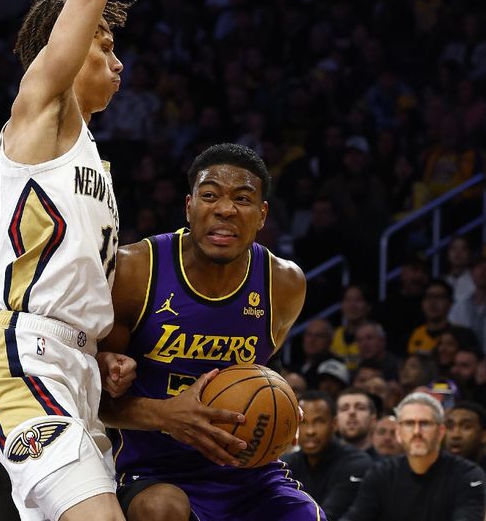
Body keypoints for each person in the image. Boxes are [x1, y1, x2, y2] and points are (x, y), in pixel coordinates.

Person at [0, 0, 136, 520]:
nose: (118, 60)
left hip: (75, 369)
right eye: (104, 43)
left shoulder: (92, 159)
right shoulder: (42, 113)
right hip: (22, 355)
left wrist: (97, 348)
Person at [99, 144, 323, 519]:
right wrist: (166, 415)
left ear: (262, 214)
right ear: (189, 207)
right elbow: (97, 402)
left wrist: (281, 404)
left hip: (248, 469)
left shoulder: (284, 283)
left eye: (243, 198)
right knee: (162, 509)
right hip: (156, 471)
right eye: (210, 195)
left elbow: (261, 377)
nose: (225, 209)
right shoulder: (135, 271)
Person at [342, 392, 486, 521]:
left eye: (425, 424)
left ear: (441, 432)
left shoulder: (468, 475)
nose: (417, 431)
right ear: (398, 432)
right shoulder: (380, 474)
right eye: (409, 424)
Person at [281, 391, 373, 519]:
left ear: (334, 424)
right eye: (303, 422)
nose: (310, 431)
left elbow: (329, 516)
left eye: (319, 422)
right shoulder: (284, 465)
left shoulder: (357, 463)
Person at [445, 401, 486, 486]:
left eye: (466, 427)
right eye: (450, 427)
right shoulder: (433, 469)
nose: (455, 435)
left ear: (484, 436)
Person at [336, 388, 378, 455]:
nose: (352, 412)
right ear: (336, 422)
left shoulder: (386, 464)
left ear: (373, 421)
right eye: (344, 408)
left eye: (360, 408)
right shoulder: (323, 462)